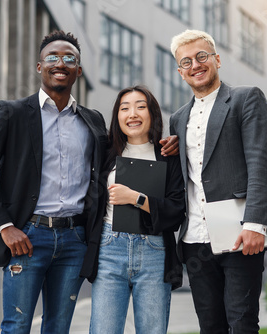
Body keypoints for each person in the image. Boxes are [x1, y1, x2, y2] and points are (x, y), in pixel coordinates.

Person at [0, 30, 107, 334]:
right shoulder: (13, 112)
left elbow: (114, 164)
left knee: (58, 328)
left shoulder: (92, 120)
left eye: (69, 58)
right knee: (16, 326)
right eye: (52, 57)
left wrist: (165, 145)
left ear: (78, 70)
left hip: (74, 240)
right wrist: (5, 226)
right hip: (27, 238)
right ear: (40, 67)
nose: (61, 62)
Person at [169, 30, 267, 333]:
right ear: (180, 72)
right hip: (194, 241)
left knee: (241, 323)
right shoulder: (178, 119)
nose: (195, 65)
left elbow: (262, 164)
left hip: (239, 235)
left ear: (216, 59)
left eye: (202, 56)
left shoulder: (246, 98)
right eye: (186, 61)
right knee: (210, 326)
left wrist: (255, 224)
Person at [80, 85, 186, 334]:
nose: (132, 114)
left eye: (141, 107)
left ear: (153, 114)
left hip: (154, 251)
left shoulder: (167, 155)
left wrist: (135, 198)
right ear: (117, 116)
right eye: (124, 108)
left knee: (152, 330)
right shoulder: (105, 152)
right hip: (109, 248)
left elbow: (176, 210)